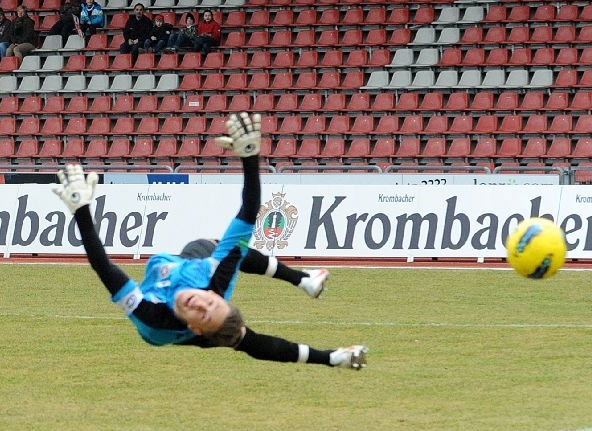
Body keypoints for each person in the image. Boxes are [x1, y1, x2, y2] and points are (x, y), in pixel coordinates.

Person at [49, 114, 366, 369]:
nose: (201, 304)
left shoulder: (153, 318)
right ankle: (304, 283)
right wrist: (250, 155)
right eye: (211, 303)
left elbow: (103, 266)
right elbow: (248, 213)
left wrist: (81, 210)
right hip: (186, 264)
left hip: (165, 311)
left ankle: (332, 358)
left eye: (202, 314)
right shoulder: (214, 279)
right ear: (216, 296)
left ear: (196, 329)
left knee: (246, 341)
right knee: (228, 250)